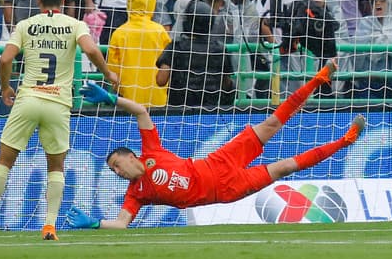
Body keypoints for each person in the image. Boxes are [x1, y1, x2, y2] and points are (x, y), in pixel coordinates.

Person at [69, 62, 366, 230]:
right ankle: (345, 140)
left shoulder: (152, 151)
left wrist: (110, 100)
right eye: (112, 170)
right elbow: (121, 224)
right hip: (226, 189)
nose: (116, 172)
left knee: (272, 124)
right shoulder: (137, 194)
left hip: (218, 161)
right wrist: (95, 223)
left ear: (131, 157)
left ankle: (317, 80)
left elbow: (141, 112)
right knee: (285, 167)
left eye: (116, 165)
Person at [0, 0, 116, 241]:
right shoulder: (75, 25)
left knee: (4, 162)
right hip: (58, 103)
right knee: (56, 167)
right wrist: (108, 72)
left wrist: (6, 87)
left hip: (28, 99)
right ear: (62, 2)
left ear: (38, 1)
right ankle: (49, 226)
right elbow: (91, 49)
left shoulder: (25, 25)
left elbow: (5, 59)